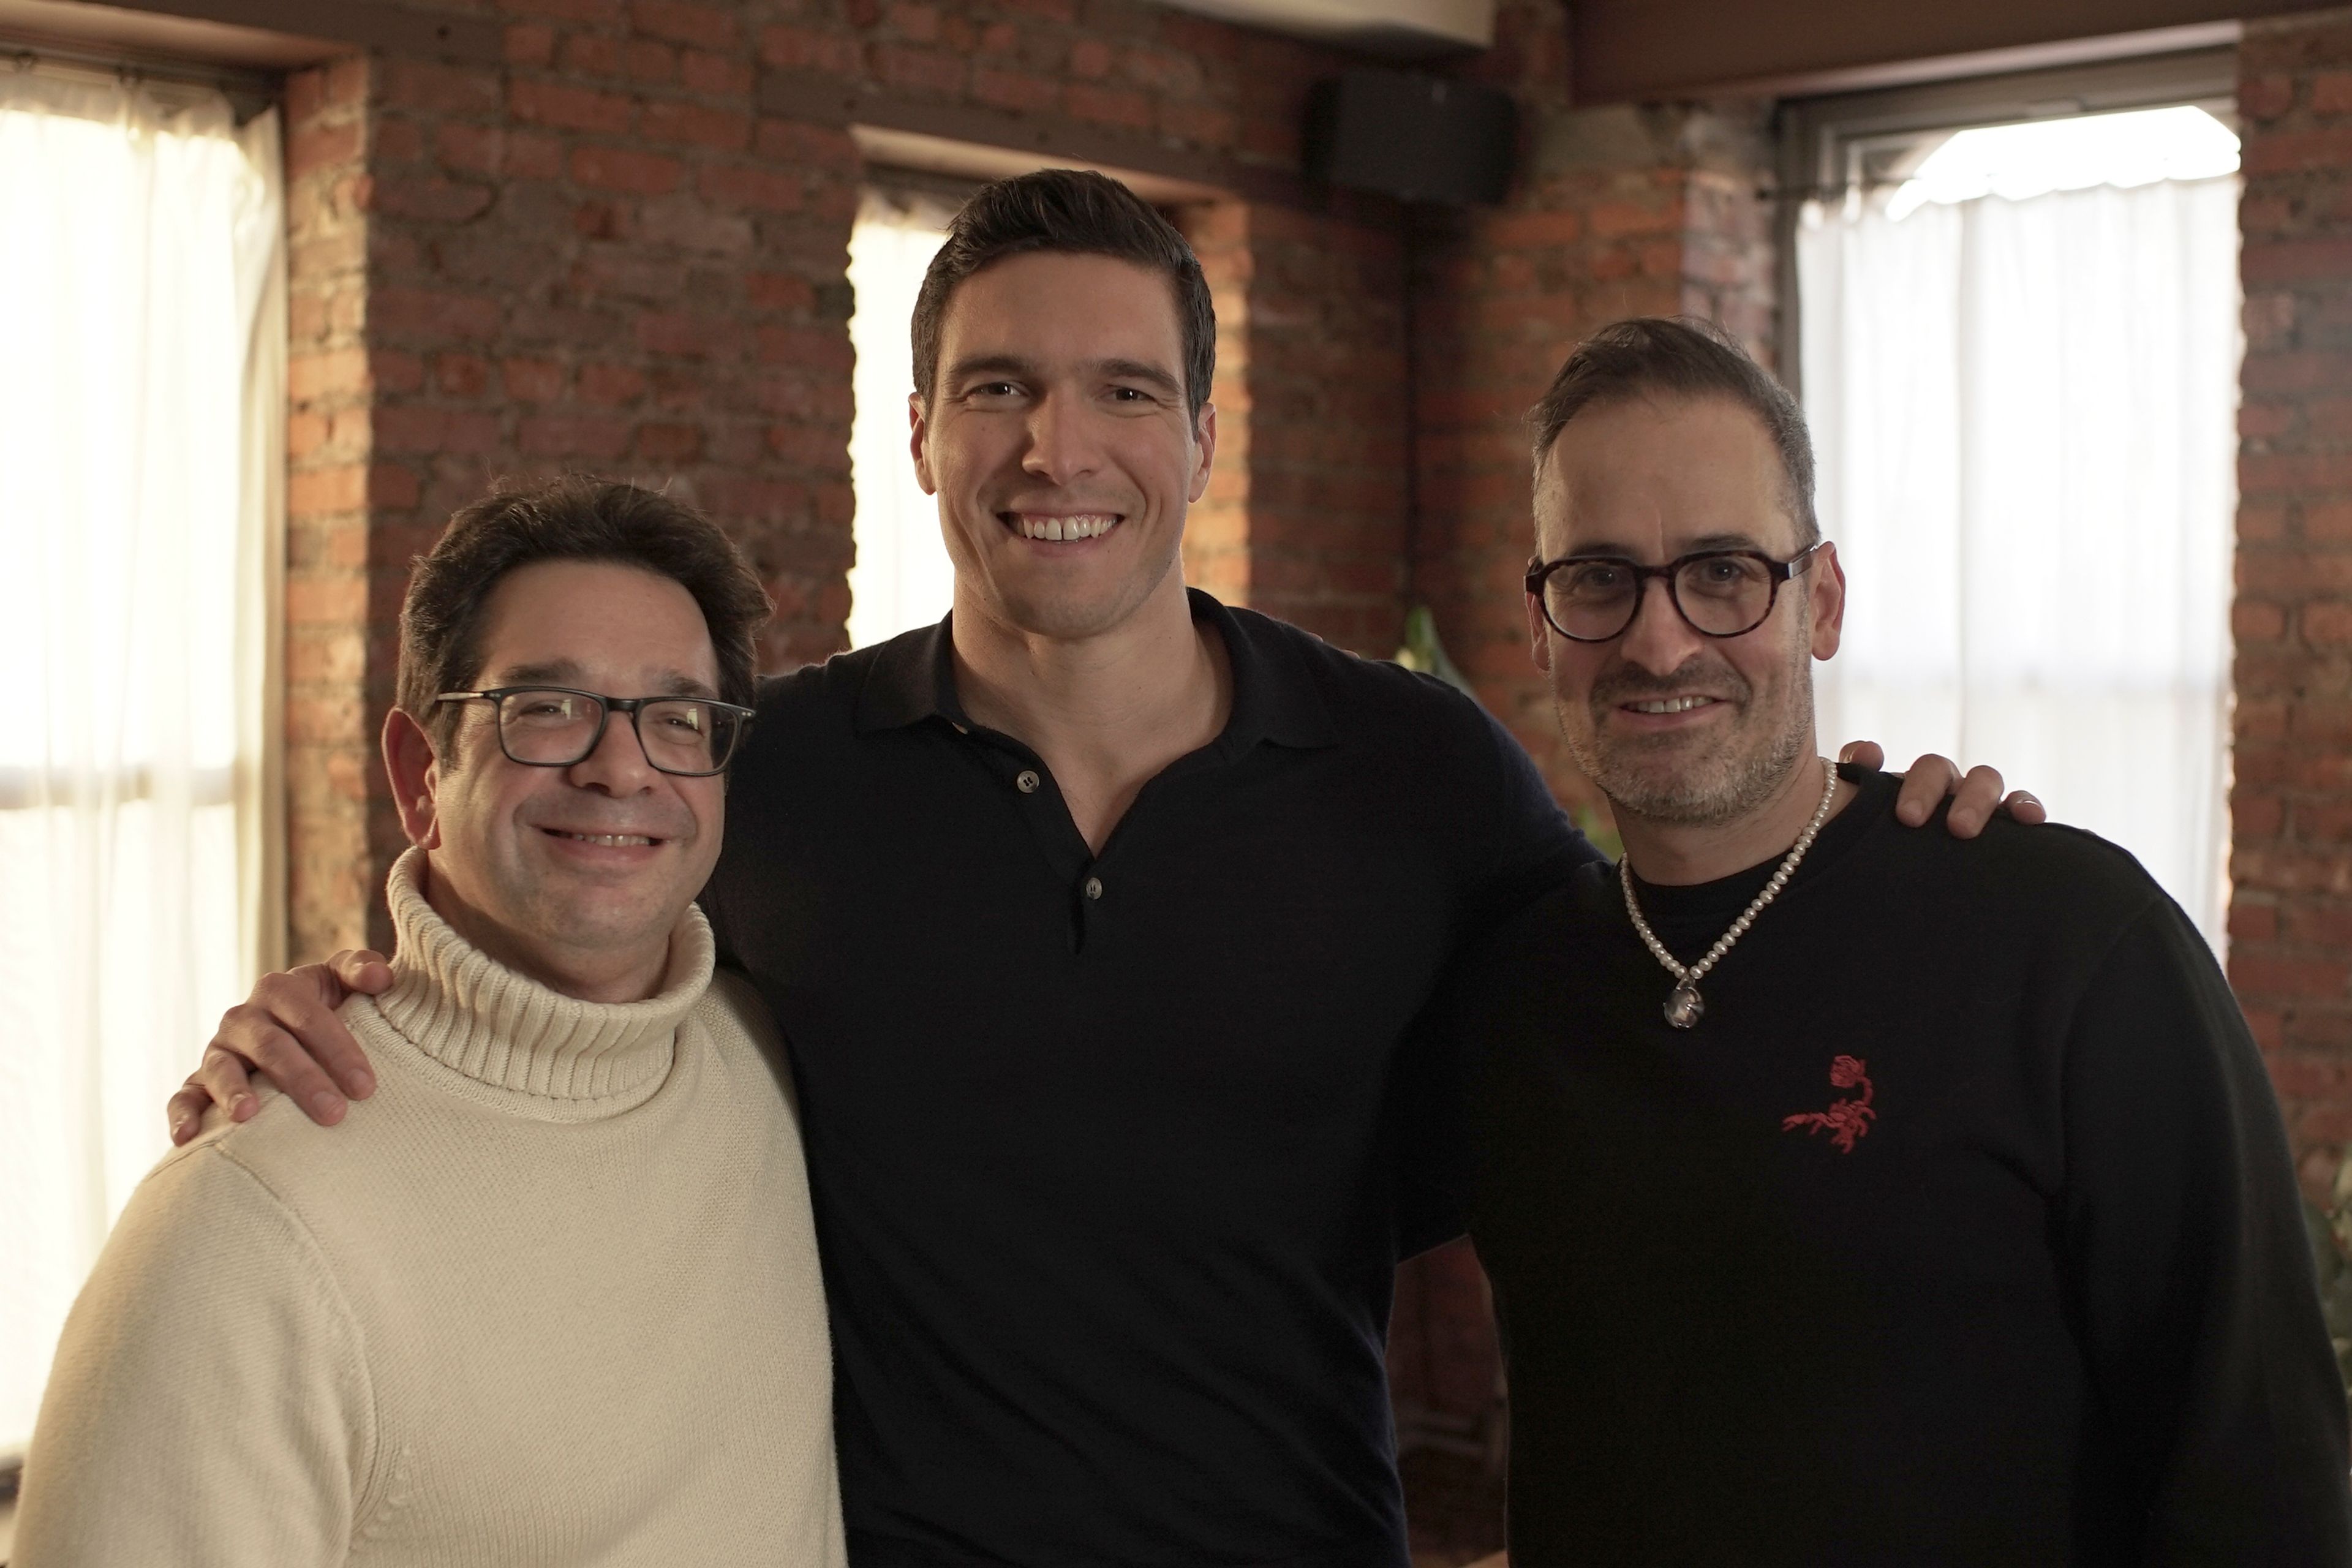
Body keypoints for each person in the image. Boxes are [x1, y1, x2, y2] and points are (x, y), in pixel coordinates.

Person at [169, 173, 2030, 1567]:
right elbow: (550, 935)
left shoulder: (1415, 772)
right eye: (996, 389)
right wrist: (341, 1017)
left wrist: (1891, 840)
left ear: (1204, 437)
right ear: (913, 435)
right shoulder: (778, 773)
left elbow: (1668, 990)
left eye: (1126, 392)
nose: (1059, 447)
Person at [1439, 317, 2352, 1563]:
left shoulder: (2072, 942)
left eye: (1722, 571)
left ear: (1819, 600)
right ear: (1541, 619)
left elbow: (2261, 1482)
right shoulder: (1514, 989)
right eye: (1600, 578)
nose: (1660, 639)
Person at [16, 480, 843, 1566]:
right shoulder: (241, 1234)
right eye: (545, 708)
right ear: (420, 776)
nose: (620, 766)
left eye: (676, 718)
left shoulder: (774, 1054)